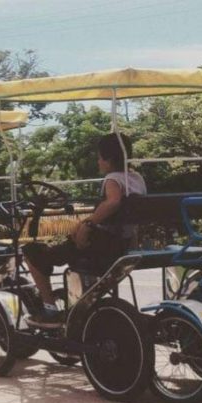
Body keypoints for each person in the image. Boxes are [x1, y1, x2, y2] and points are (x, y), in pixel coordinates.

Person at [23, 132, 146, 326]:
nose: (98, 162)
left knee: (31, 252)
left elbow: (113, 202)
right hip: (121, 245)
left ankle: (49, 309)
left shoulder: (113, 179)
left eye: (99, 158)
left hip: (98, 247)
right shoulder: (137, 178)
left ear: (108, 159)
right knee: (60, 245)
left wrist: (88, 224)